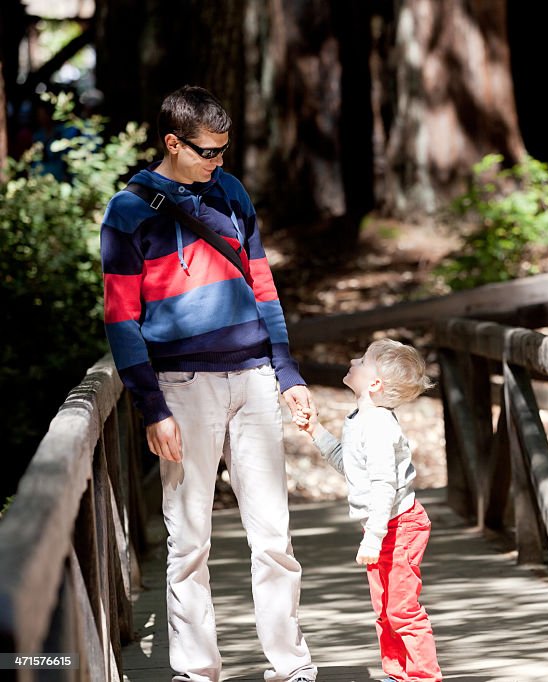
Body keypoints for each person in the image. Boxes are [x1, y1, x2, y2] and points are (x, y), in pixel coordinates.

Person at [100, 85, 317, 682]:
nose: (217, 162)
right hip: (182, 385)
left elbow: (264, 286)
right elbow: (121, 318)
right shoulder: (128, 211)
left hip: (252, 379)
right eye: (207, 152)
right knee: (188, 541)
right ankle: (197, 672)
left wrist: (287, 371)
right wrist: (151, 406)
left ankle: (291, 666)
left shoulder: (232, 191)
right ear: (173, 142)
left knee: (274, 536)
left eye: (224, 151)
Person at [293, 339, 442, 682]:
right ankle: (396, 673)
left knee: (402, 609)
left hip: (399, 526)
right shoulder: (361, 418)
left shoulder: (377, 426)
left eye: (363, 360)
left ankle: (423, 676)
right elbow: (350, 465)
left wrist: (374, 538)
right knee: (384, 608)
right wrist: (315, 430)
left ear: (374, 383)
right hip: (382, 526)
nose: (352, 359)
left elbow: (383, 486)